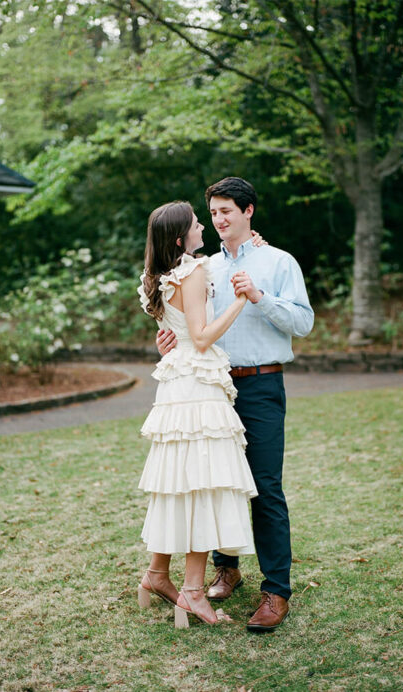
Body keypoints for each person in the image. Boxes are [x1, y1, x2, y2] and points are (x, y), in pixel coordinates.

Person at [156, 177, 314, 632]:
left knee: (264, 487)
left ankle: (276, 591)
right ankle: (227, 568)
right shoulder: (202, 267)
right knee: (216, 481)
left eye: (227, 211)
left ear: (248, 212)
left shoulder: (279, 262)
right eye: (213, 212)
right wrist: (168, 340)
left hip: (262, 386)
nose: (218, 219)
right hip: (214, 388)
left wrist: (260, 297)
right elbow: (186, 321)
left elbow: (303, 323)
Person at [136, 201, 258, 627]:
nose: (203, 225)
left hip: (176, 385)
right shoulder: (193, 272)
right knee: (204, 483)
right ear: (178, 237)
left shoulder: (161, 275)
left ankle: (156, 574)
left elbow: (172, 329)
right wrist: (242, 300)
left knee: (179, 484)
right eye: (195, 222)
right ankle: (190, 592)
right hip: (196, 388)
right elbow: (202, 337)